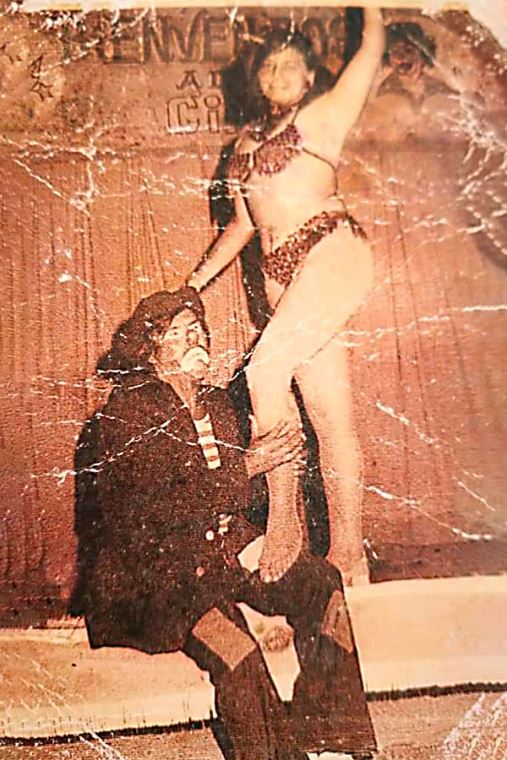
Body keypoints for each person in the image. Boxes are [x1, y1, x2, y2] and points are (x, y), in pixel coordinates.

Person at [70, 288, 377, 760]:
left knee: (321, 585)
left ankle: (331, 734)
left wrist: (265, 531)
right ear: (150, 350)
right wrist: (249, 465)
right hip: (156, 581)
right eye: (178, 333)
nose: (195, 339)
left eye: (197, 329)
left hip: (218, 557)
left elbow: (239, 496)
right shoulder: (124, 416)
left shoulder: (217, 405)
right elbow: (155, 514)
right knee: (237, 651)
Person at [187, 10, 386, 585]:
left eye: (290, 65)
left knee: (264, 370)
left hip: (330, 251)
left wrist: (372, 10)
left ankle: (283, 522)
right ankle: (348, 556)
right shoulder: (243, 146)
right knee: (330, 417)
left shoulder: (325, 115)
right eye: (269, 66)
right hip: (281, 277)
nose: (278, 74)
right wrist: (192, 284)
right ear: (257, 79)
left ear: (310, 77)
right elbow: (243, 227)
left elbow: (370, 50)